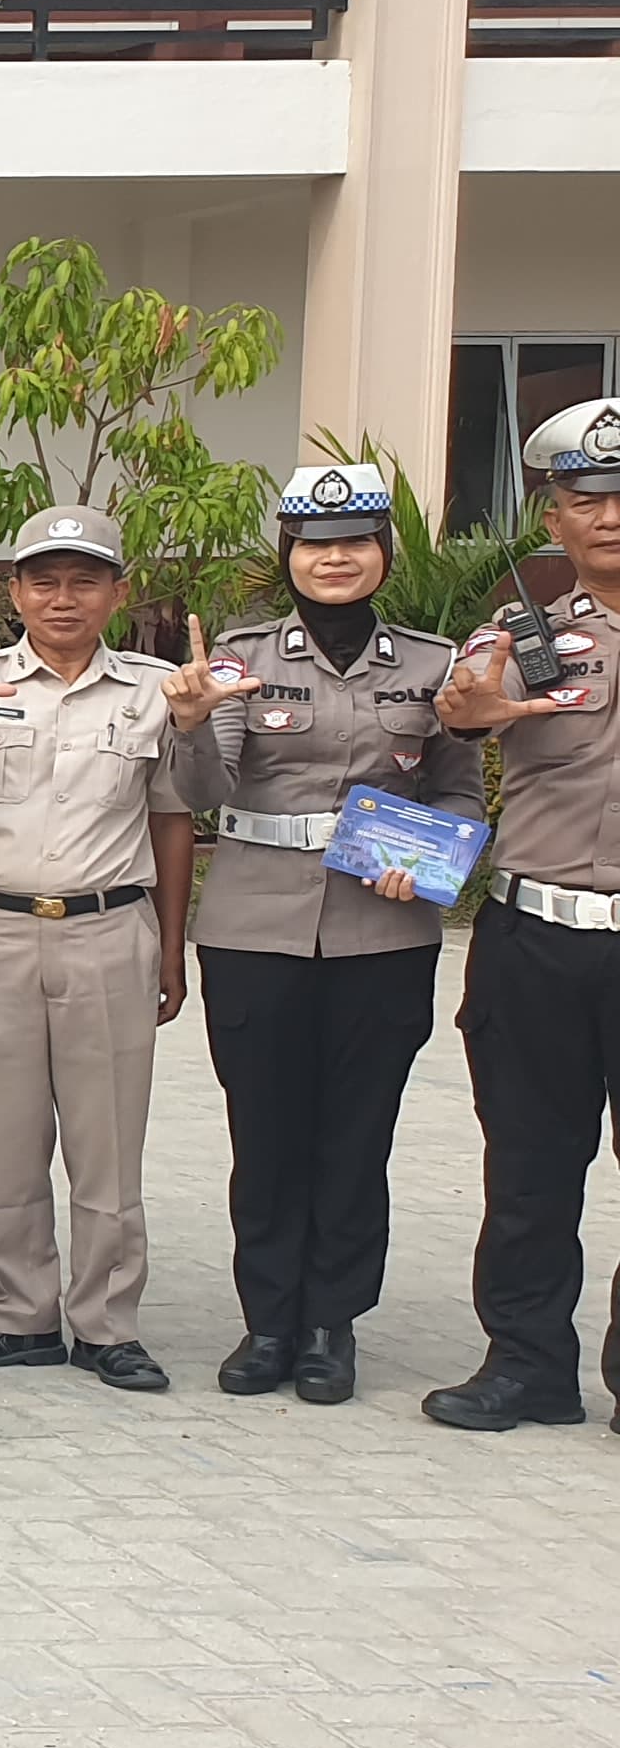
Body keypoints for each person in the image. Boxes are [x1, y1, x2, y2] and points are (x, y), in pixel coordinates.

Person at [0, 505, 243, 1394]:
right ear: (16, 592)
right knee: (7, 1133)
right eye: (44, 582)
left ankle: (107, 1325)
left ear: (118, 592)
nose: (62, 599)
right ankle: (17, 1314)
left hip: (109, 929)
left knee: (107, 1140)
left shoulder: (155, 689)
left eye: (83, 582)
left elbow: (183, 814)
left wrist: (171, 949)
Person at [191, 461, 483, 1407]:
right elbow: (204, 789)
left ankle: (330, 1324)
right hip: (254, 926)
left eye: (354, 541)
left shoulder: (432, 665)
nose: (334, 559)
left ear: (383, 552)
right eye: (314, 545)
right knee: (265, 1129)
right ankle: (268, 1321)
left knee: (358, 1133)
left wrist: (429, 869)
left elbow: (458, 794)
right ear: (289, 554)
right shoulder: (240, 656)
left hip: (382, 930)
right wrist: (190, 725)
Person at [423, 397, 620, 1433]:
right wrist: (471, 709)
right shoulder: (516, 636)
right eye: (587, 499)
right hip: (535, 940)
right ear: (554, 520)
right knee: (531, 1167)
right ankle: (528, 1365)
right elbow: (459, 707)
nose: (609, 516)